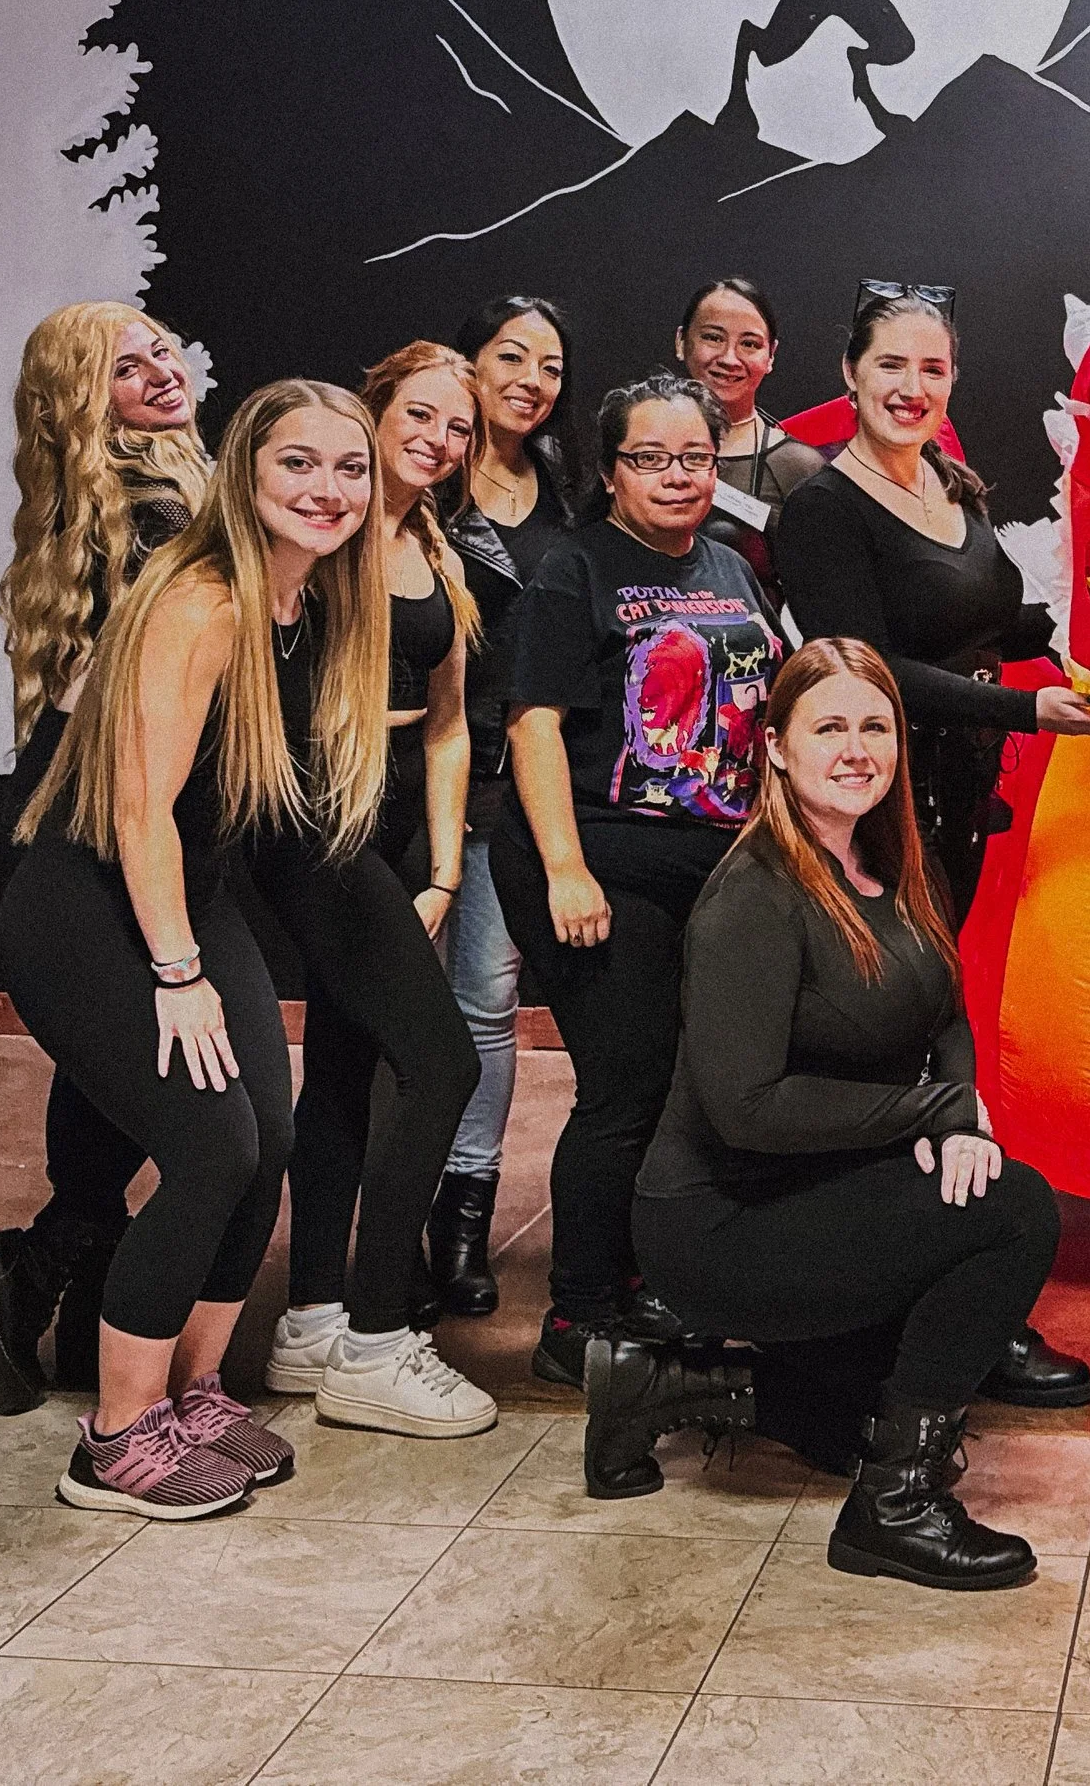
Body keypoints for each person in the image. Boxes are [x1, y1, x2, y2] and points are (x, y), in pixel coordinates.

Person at [0, 380, 389, 1517]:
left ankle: (192, 1393)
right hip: (89, 905)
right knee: (213, 1147)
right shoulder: (202, 596)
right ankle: (114, 1440)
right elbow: (137, 808)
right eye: (298, 464)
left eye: (349, 467)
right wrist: (178, 972)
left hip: (188, 895)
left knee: (269, 1142)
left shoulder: (309, 600)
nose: (327, 489)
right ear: (245, 473)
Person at [613, 638, 1065, 1588]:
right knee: (1015, 1211)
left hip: (821, 1184)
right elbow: (746, 1108)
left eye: (876, 727)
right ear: (776, 748)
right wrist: (931, 1110)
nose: (857, 750)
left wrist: (954, 1119)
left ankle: (669, 1385)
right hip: (721, 1219)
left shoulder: (894, 862)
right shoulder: (754, 895)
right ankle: (893, 1507)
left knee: (855, 1415)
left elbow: (945, 1011)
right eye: (829, 729)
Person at [775, 285, 1090, 1411]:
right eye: (891, 363)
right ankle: (885, 1304)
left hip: (959, 805)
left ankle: (951, 1292)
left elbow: (991, 621)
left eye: (933, 368)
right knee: (886, 1043)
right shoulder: (823, 509)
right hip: (880, 807)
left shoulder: (948, 484)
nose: (912, 386)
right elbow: (865, 669)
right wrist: (1027, 710)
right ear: (849, 371)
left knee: (933, 1032)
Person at [0, 304, 209, 1414]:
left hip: (95, 806)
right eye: (125, 368)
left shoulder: (136, 492)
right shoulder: (149, 513)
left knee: (115, 1061)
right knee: (150, 1062)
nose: (160, 370)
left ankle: (54, 1267)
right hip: (99, 818)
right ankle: (51, 1267)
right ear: (81, 402)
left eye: (161, 348)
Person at [492, 370, 784, 1384]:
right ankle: (576, 1315)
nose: (676, 475)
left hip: (711, 864)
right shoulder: (574, 570)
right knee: (623, 1088)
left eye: (694, 456)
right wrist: (567, 870)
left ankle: (648, 1278)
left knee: (682, 1088)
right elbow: (532, 726)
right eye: (650, 458)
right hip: (600, 861)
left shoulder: (730, 563)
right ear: (611, 470)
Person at [261, 344, 492, 1436]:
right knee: (441, 1064)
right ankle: (375, 1340)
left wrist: (443, 868)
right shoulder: (322, 531)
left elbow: (448, 724)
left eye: (459, 427)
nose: (439, 440)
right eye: (421, 415)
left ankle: (311, 1317)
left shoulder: (433, 545)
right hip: (321, 821)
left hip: (403, 828)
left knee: (348, 1067)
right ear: (374, 408)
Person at [426, 294, 577, 1314]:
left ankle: (463, 1220)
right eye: (510, 356)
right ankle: (394, 1215)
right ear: (468, 362)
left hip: (531, 771)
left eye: (550, 365)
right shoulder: (425, 484)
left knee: (488, 1000)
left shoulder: (567, 487)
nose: (530, 379)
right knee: (413, 1007)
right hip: (435, 768)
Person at [675, 275, 822, 605]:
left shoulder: (796, 467)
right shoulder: (638, 446)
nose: (729, 358)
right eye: (713, 338)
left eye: (750, 344)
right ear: (681, 341)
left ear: (771, 355)